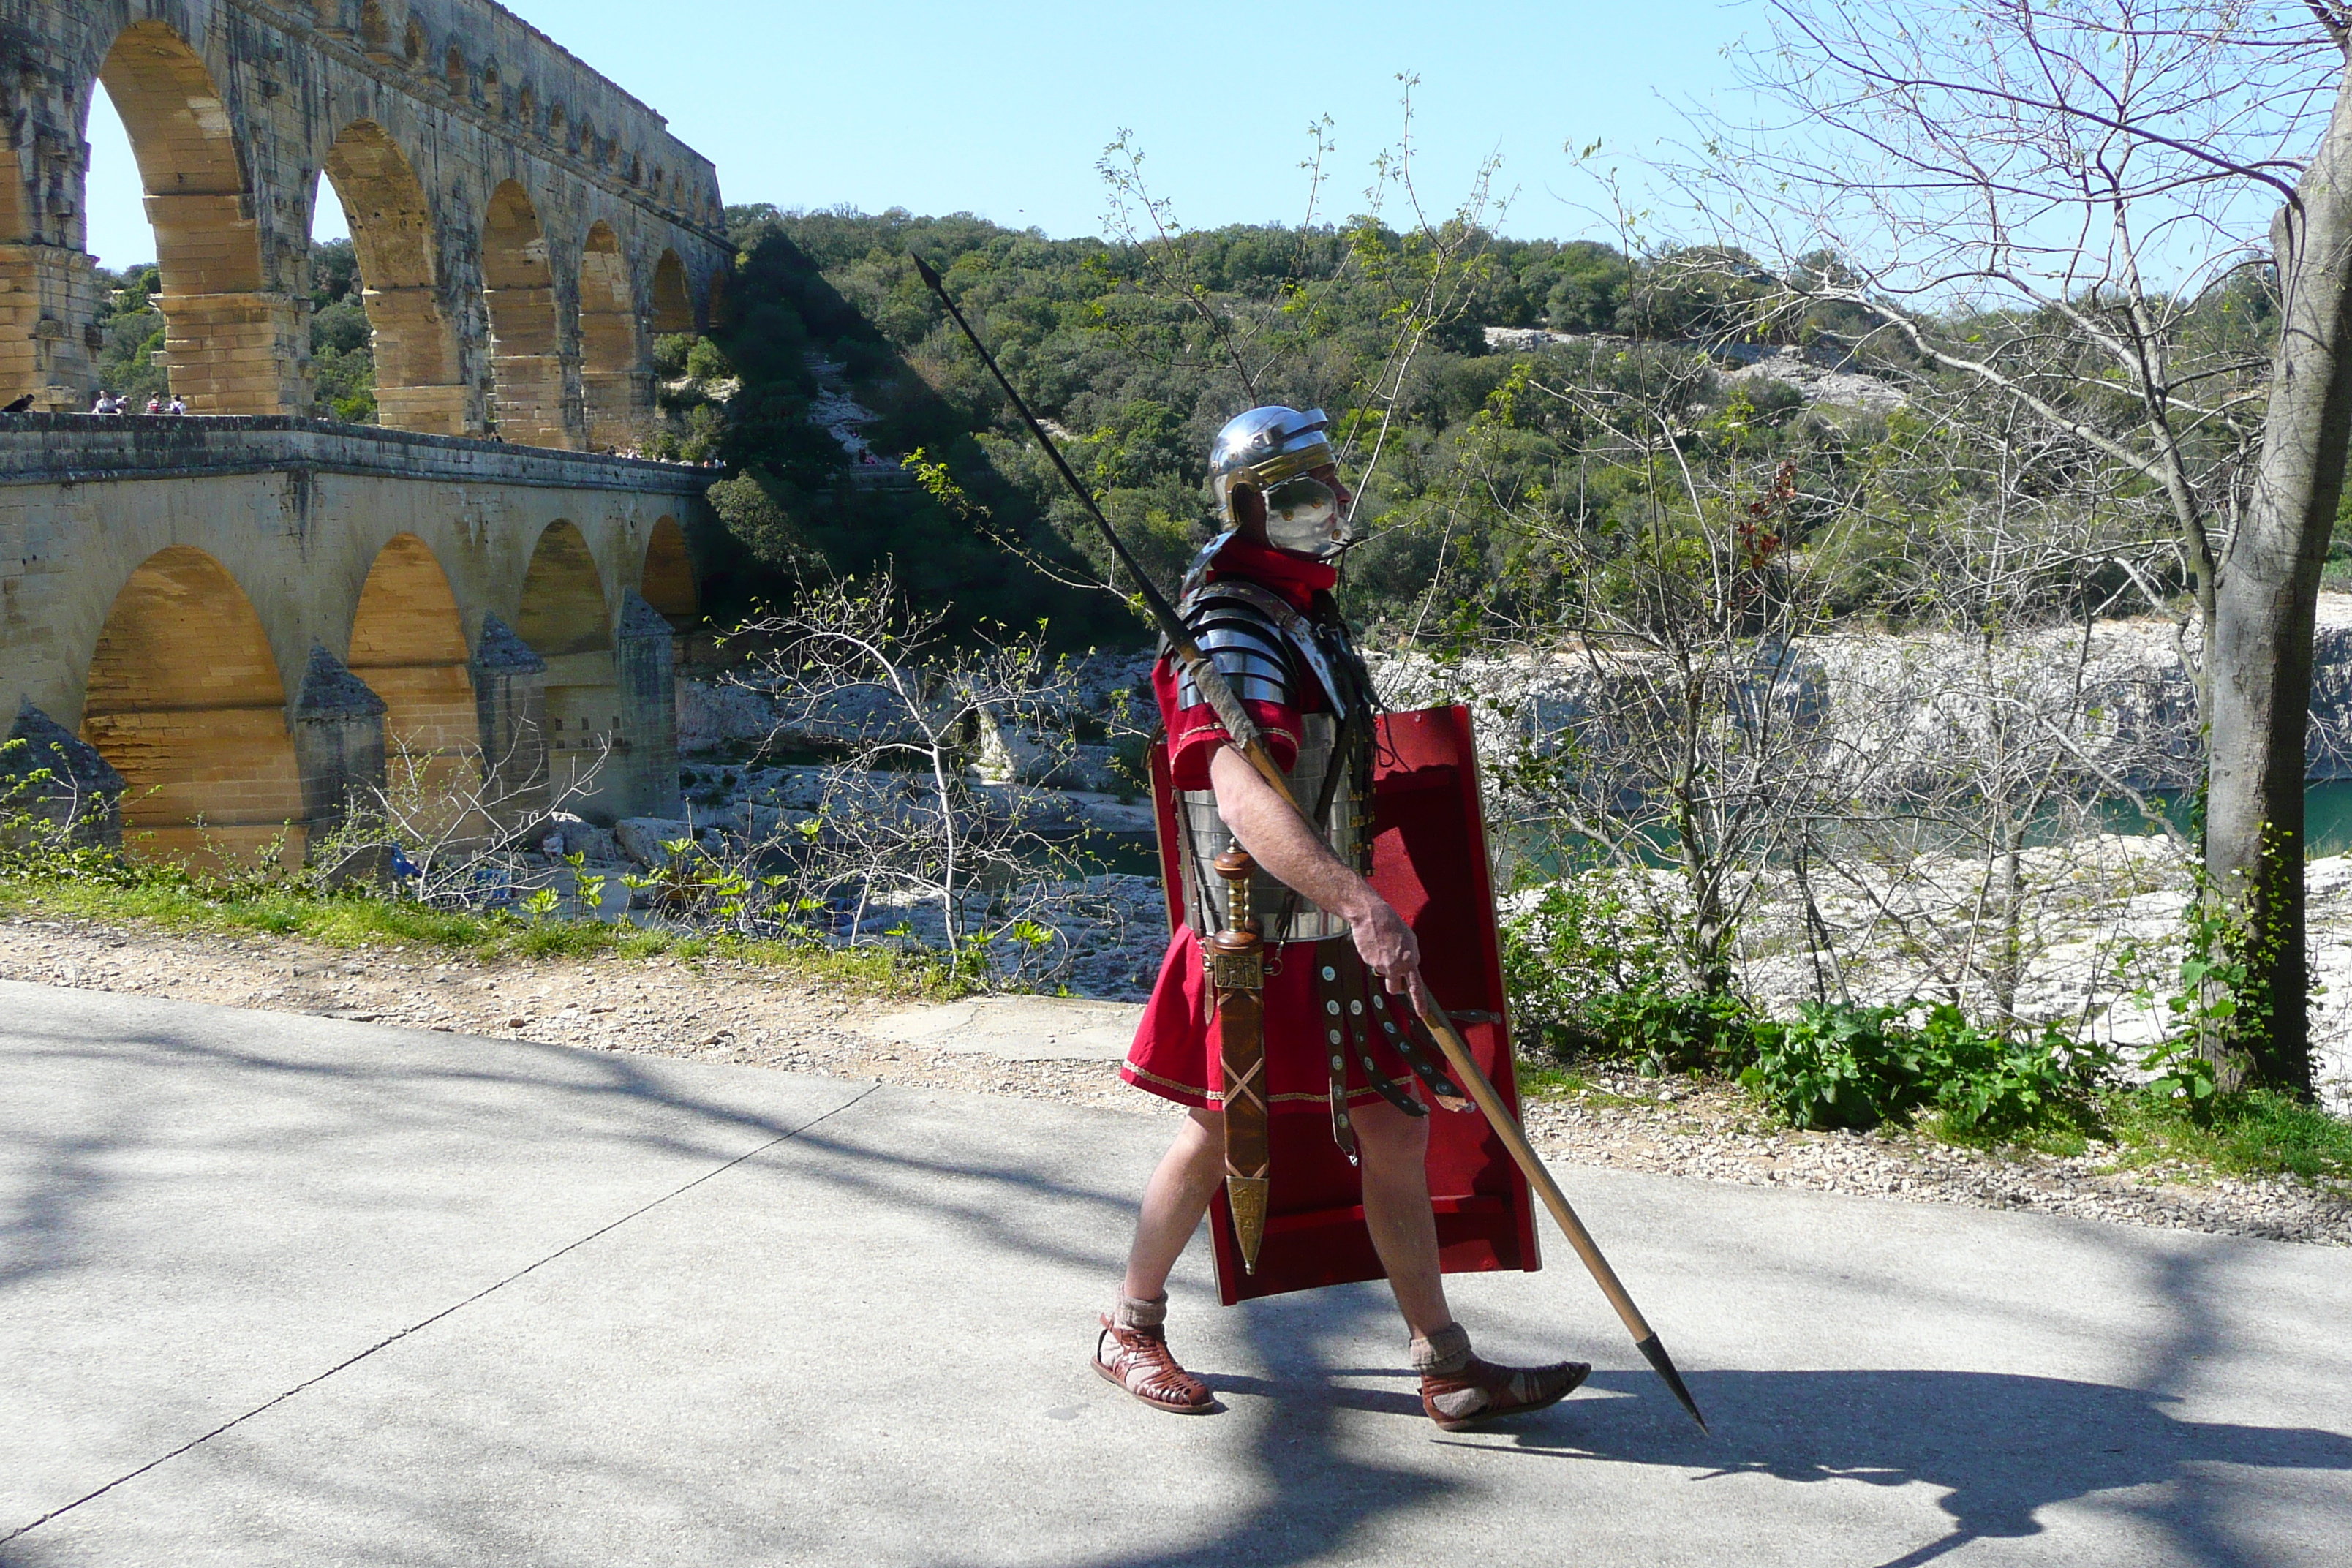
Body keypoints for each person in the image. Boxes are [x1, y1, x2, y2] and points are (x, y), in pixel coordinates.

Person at [1097, 405, 1588, 1430]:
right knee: (1216, 1135)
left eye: (1332, 485)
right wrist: (1363, 900)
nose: (1335, 509)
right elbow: (1240, 793)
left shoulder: (1297, 609)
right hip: (1256, 936)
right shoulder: (1231, 623)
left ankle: (1445, 1365)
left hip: (1326, 929)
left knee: (1394, 1126)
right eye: (1307, 493)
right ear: (1251, 508)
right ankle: (1130, 1328)